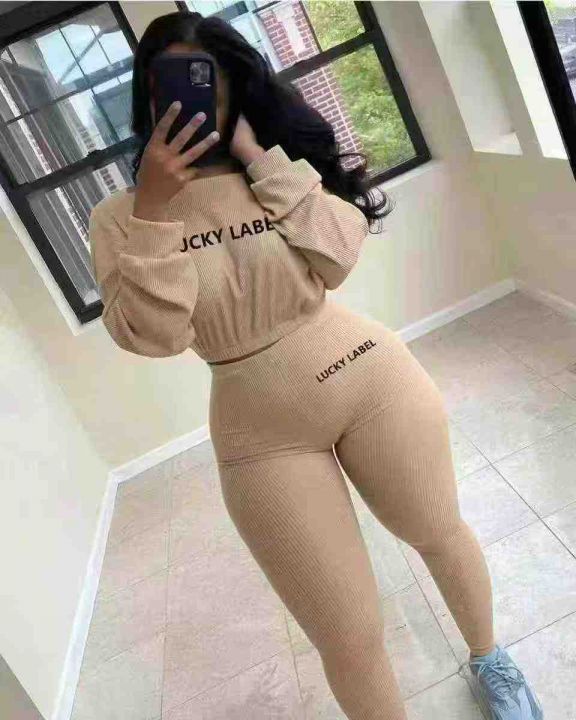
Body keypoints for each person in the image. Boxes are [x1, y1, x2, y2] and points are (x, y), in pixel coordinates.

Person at [89, 10, 543, 720]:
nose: (190, 99)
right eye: (167, 84)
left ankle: (492, 660)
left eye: (208, 81)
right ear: (147, 96)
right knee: (348, 634)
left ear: (239, 86)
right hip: (260, 432)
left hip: (369, 375)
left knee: (437, 529)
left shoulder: (272, 167)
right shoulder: (121, 216)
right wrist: (153, 209)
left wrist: (257, 154)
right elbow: (154, 335)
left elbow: (336, 258)